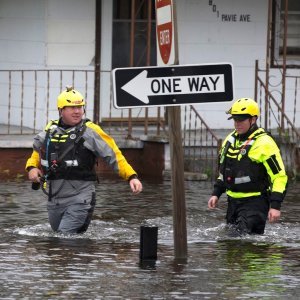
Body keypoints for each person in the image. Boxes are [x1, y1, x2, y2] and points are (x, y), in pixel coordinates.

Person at [25, 86, 142, 234]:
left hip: (80, 198)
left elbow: (114, 154)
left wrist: (131, 176)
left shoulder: (91, 131)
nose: (77, 111)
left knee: (64, 238)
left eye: (80, 107)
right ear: (61, 110)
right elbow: (37, 151)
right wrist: (31, 168)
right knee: (57, 240)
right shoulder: (50, 129)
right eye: (72, 108)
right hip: (54, 199)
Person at [208, 98, 288, 235]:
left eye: (241, 120)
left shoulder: (264, 143)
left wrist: (275, 206)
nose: (237, 124)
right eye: (235, 120)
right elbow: (225, 171)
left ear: (253, 119)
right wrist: (216, 193)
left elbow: (279, 177)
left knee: (242, 243)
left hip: (255, 202)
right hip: (233, 202)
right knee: (230, 246)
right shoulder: (230, 139)